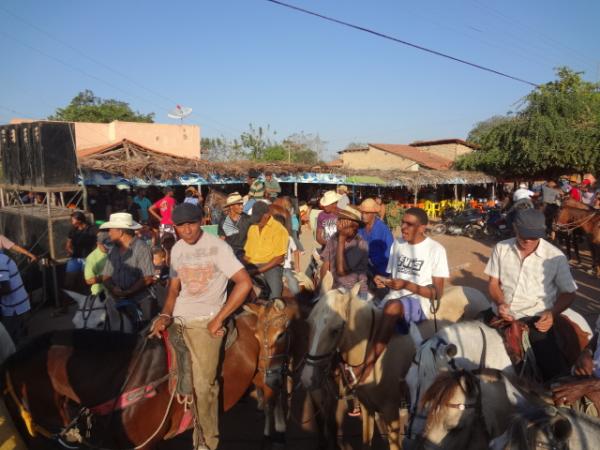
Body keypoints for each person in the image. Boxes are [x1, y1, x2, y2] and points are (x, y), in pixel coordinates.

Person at [149, 203, 252, 450]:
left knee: (205, 386)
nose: (187, 230)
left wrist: (219, 318)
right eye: (181, 226)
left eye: (192, 223)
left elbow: (244, 283)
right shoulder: (176, 250)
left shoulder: (218, 247)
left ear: (202, 221)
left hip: (206, 321)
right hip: (178, 318)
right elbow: (173, 289)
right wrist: (164, 314)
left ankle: (207, 442)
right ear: (174, 227)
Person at [484, 208, 578, 381]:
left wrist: (552, 313)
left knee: (554, 371)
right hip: (499, 313)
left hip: (533, 319)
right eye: (524, 234)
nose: (528, 240)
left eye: (534, 236)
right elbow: (493, 283)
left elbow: (569, 293)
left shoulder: (555, 257)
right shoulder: (501, 248)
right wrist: (500, 302)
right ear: (515, 228)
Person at [356, 207, 449, 382]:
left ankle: (368, 364)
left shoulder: (436, 250)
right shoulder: (397, 244)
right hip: (394, 296)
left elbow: (437, 293)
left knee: (392, 307)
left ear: (422, 227)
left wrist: (407, 285)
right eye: (402, 223)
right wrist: (383, 280)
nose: (403, 228)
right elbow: (394, 277)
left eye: (410, 224)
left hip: (419, 303)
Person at [101, 213, 157, 325]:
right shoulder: (113, 250)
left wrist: (128, 292)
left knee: (145, 330)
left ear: (120, 231)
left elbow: (148, 278)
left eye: (111, 230)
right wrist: (113, 288)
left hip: (140, 300)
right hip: (116, 301)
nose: (109, 233)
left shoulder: (141, 247)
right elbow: (106, 276)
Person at [320, 206, 369, 298]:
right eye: (339, 220)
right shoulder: (334, 238)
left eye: (344, 222)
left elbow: (341, 271)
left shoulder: (361, 245)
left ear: (355, 227)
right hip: (335, 287)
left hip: (354, 289)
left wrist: (342, 238)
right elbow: (326, 264)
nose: (339, 225)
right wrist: (322, 289)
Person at [243, 202, 288, 299]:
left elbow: (279, 258)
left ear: (267, 215)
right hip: (252, 264)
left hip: (271, 266)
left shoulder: (279, 229)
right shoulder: (252, 228)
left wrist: (257, 271)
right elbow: (247, 254)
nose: (256, 221)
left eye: (258, 219)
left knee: (274, 296)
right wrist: (242, 266)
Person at [0, 252, 31, 344]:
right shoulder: (2, 257)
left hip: (15, 308)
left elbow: (6, 289)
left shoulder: (0, 261)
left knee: (10, 340)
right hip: (15, 305)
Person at [358, 198, 394, 277]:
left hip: (380, 271)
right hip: (364, 269)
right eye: (362, 213)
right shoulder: (360, 228)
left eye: (367, 213)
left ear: (374, 214)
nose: (363, 215)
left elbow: (389, 254)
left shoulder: (382, 229)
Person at [65, 211, 97, 292]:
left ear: (79, 220)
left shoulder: (91, 229)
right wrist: (71, 251)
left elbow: (97, 243)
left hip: (87, 258)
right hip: (75, 258)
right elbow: (68, 244)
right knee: (69, 280)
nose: (71, 222)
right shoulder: (73, 230)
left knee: (85, 280)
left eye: (73, 220)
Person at [218, 192, 252, 258]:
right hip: (230, 254)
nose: (242, 207)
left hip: (246, 253)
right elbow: (221, 239)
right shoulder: (223, 221)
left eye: (242, 204)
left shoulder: (248, 219)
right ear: (231, 206)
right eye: (239, 204)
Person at [84, 231, 110, 296]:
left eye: (110, 243)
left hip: (116, 293)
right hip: (100, 294)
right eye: (105, 244)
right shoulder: (91, 258)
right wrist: (106, 277)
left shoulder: (115, 251)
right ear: (98, 244)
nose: (108, 246)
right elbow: (89, 280)